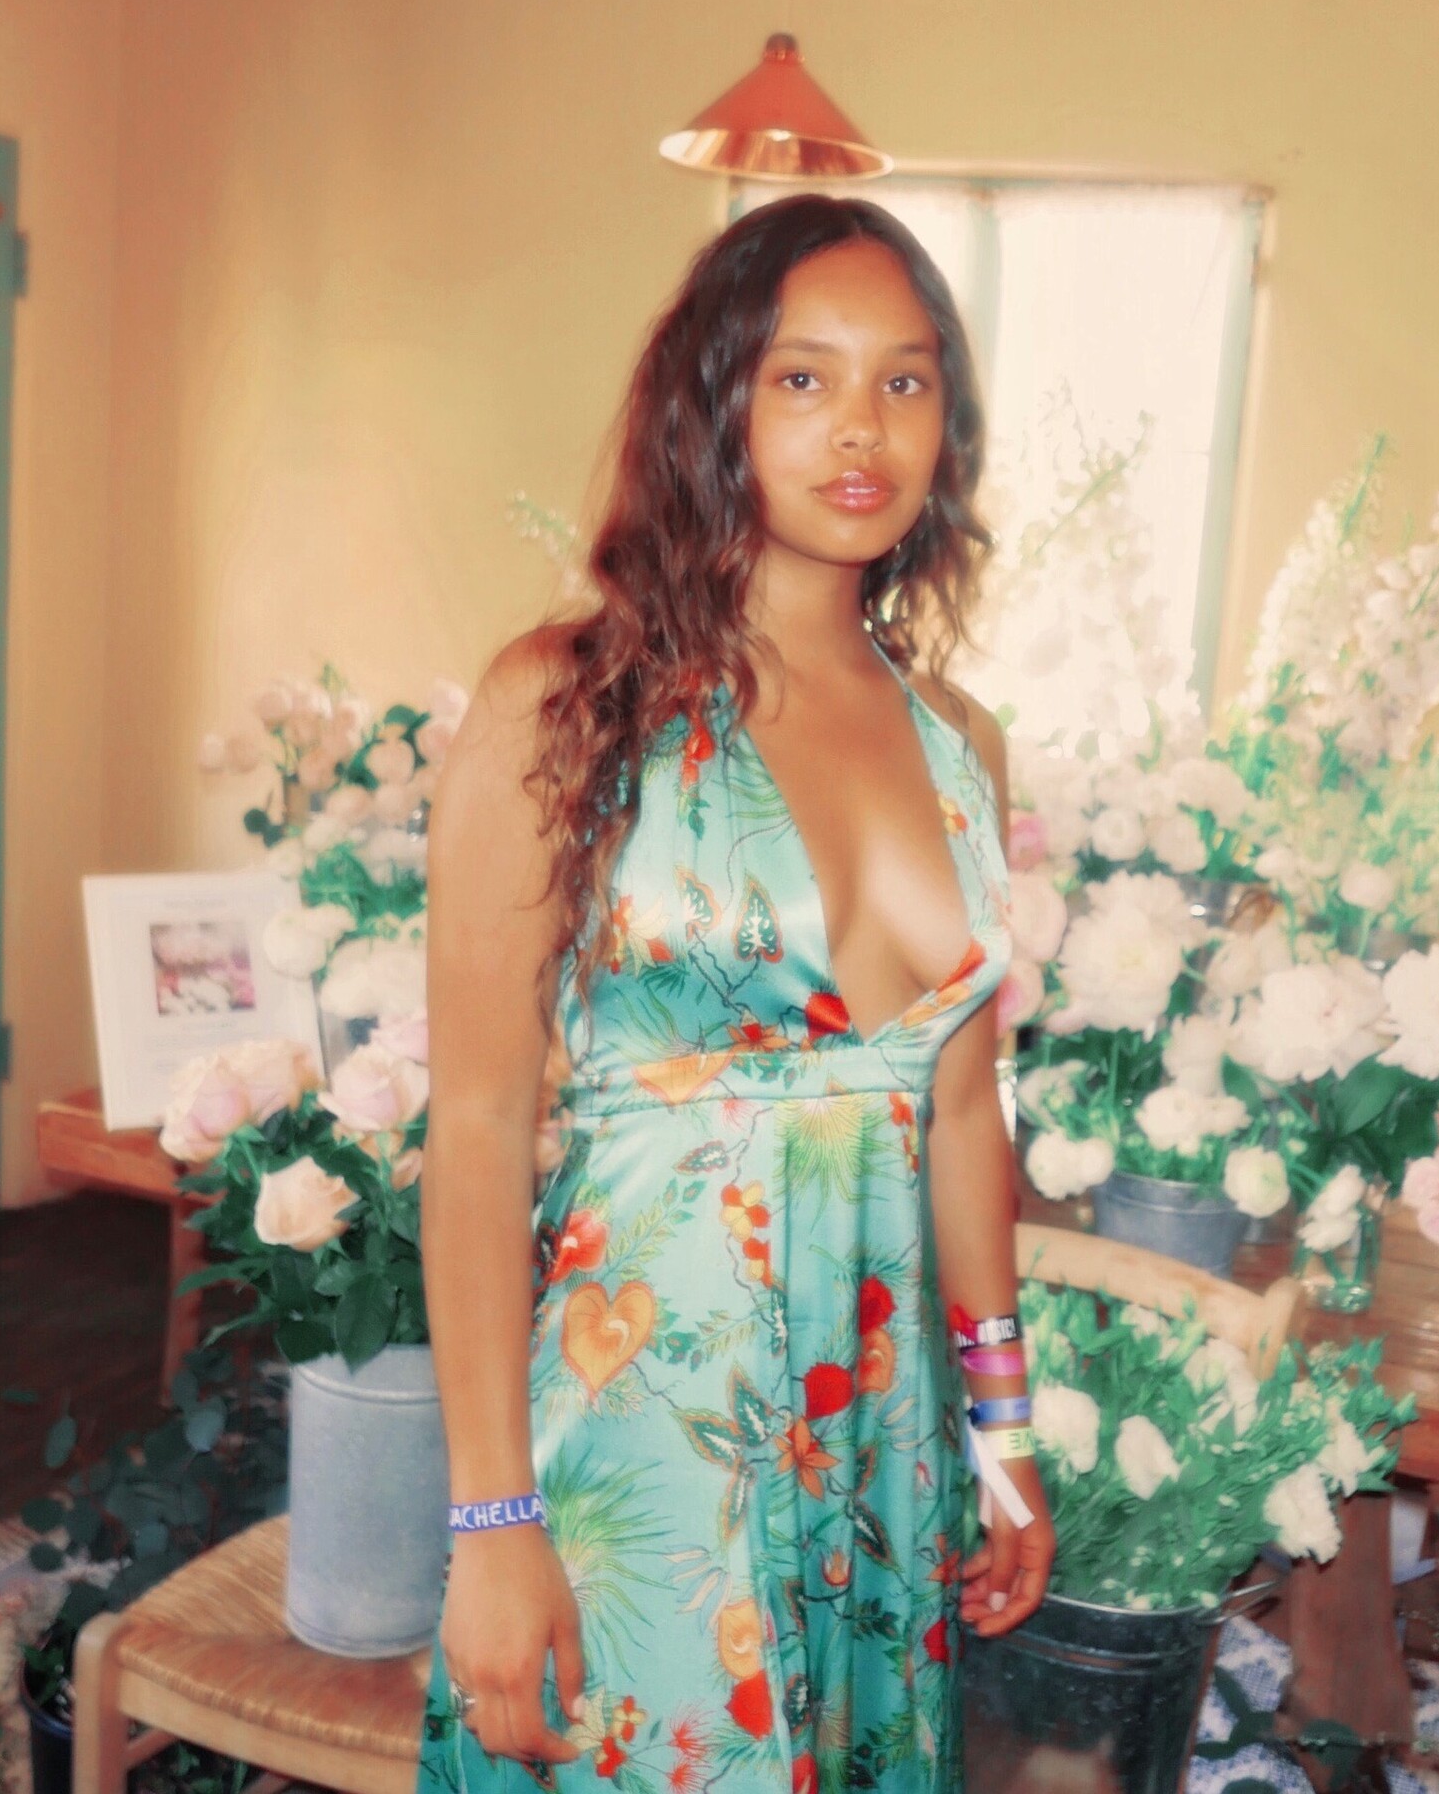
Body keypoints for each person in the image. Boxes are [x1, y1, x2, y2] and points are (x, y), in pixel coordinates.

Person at [416, 193, 1056, 1793]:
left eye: (905, 382)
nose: (861, 429)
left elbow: (960, 1115)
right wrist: (491, 1518)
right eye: (803, 378)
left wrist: (1005, 1438)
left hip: (881, 1436)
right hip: (644, 1426)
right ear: (716, 403)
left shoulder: (960, 741)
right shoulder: (567, 701)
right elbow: (478, 1125)